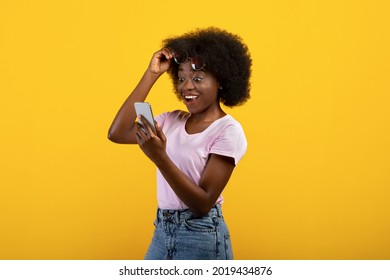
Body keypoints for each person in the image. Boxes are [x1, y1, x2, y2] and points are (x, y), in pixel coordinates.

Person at [108, 27, 252, 260]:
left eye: (197, 78)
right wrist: (151, 74)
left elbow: (203, 203)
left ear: (221, 81)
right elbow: (117, 132)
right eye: (182, 78)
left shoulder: (228, 131)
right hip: (163, 229)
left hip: (201, 234)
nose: (186, 87)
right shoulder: (170, 120)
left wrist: (160, 157)